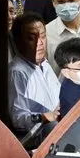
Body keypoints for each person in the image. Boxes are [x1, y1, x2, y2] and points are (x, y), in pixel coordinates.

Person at [8, 12, 60, 142]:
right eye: (31, 38)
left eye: (42, 36)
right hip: (37, 138)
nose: (40, 43)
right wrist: (44, 117)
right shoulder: (17, 71)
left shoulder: (44, 64)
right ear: (18, 42)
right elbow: (18, 118)